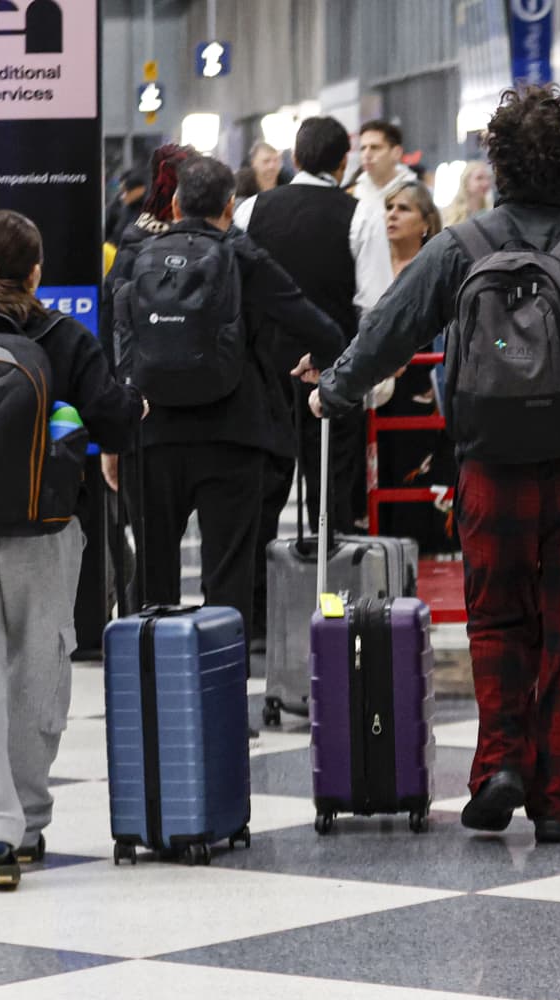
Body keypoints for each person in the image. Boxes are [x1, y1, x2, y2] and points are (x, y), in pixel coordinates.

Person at [310, 84, 560, 845]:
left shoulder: (461, 247)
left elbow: (387, 331)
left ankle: (498, 765)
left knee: (496, 615)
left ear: (498, 164)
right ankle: (559, 798)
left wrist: (334, 391)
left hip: (489, 463)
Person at [0, 210, 145, 890]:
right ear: (37, 273)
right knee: (39, 675)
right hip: (43, 535)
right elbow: (113, 422)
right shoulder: (66, 338)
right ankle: (31, 821)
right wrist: (135, 407)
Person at [108, 156, 348, 640]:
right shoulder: (243, 257)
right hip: (233, 436)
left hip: (150, 437)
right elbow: (322, 329)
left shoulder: (135, 257)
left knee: (151, 580)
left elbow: (112, 346)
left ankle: (148, 681)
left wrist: (115, 433)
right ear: (230, 206)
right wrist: (317, 361)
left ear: (176, 205)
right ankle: (222, 684)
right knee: (228, 580)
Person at [235, 116, 394, 543]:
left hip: (263, 372)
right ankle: (332, 578)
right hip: (333, 370)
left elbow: (236, 294)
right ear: (343, 162)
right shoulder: (361, 214)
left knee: (260, 495)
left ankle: (259, 581)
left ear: (296, 158)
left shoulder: (251, 210)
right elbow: (375, 307)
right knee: (331, 493)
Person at [375, 181, 455, 552]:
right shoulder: (370, 264)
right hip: (375, 389)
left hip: (424, 386)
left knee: (417, 472)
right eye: (389, 207)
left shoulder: (438, 266)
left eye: (403, 208)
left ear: (426, 222)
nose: (392, 215)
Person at [348, 119, 418, 209]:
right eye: (363, 148)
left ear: (396, 153)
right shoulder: (352, 193)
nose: (366, 155)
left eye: (375, 148)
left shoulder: (415, 193)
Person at [441, 161, 494, 227]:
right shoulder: (448, 213)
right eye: (479, 178)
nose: (486, 183)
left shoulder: (490, 212)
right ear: (465, 182)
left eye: (488, 178)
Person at [105, 169, 147, 246]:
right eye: (121, 191)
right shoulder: (116, 206)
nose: (122, 196)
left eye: (126, 191)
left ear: (139, 190)